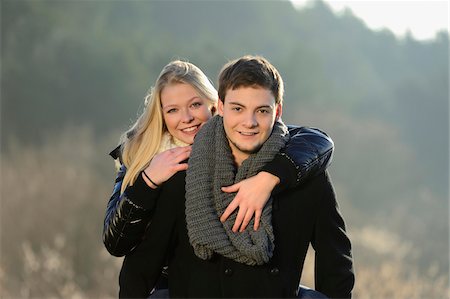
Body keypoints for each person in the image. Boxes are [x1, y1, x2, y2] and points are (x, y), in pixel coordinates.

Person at [103, 59, 337, 297]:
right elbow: (131, 256)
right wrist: (148, 181)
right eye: (173, 110)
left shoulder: (293, 159)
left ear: (214, 107)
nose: (187, 118)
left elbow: (334, 260)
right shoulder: (158, 167)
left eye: (195, 105)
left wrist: (268, 178)